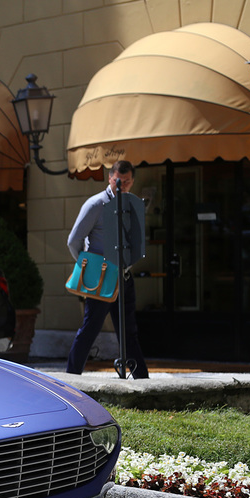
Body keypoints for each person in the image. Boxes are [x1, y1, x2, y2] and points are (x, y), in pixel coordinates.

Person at [66, 160, 149, 378]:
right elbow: (74, 240)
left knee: (129, 332)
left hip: (124, 276)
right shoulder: (95, 204)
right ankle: (72, 377)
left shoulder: (132, 204)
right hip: (101, 278)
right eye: (118, 182)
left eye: (128, 182)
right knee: (90, 329)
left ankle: (142, 381)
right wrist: (88, 269)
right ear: (110, 178)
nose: (123, 186)